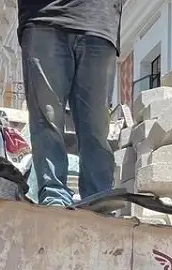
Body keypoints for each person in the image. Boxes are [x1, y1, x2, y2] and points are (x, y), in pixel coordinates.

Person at [18, 0, 121, 206]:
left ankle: (98, 199)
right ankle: (54, 197)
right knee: (47, 120)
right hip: (45, 16)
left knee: (96, 127)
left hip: (99, 22)